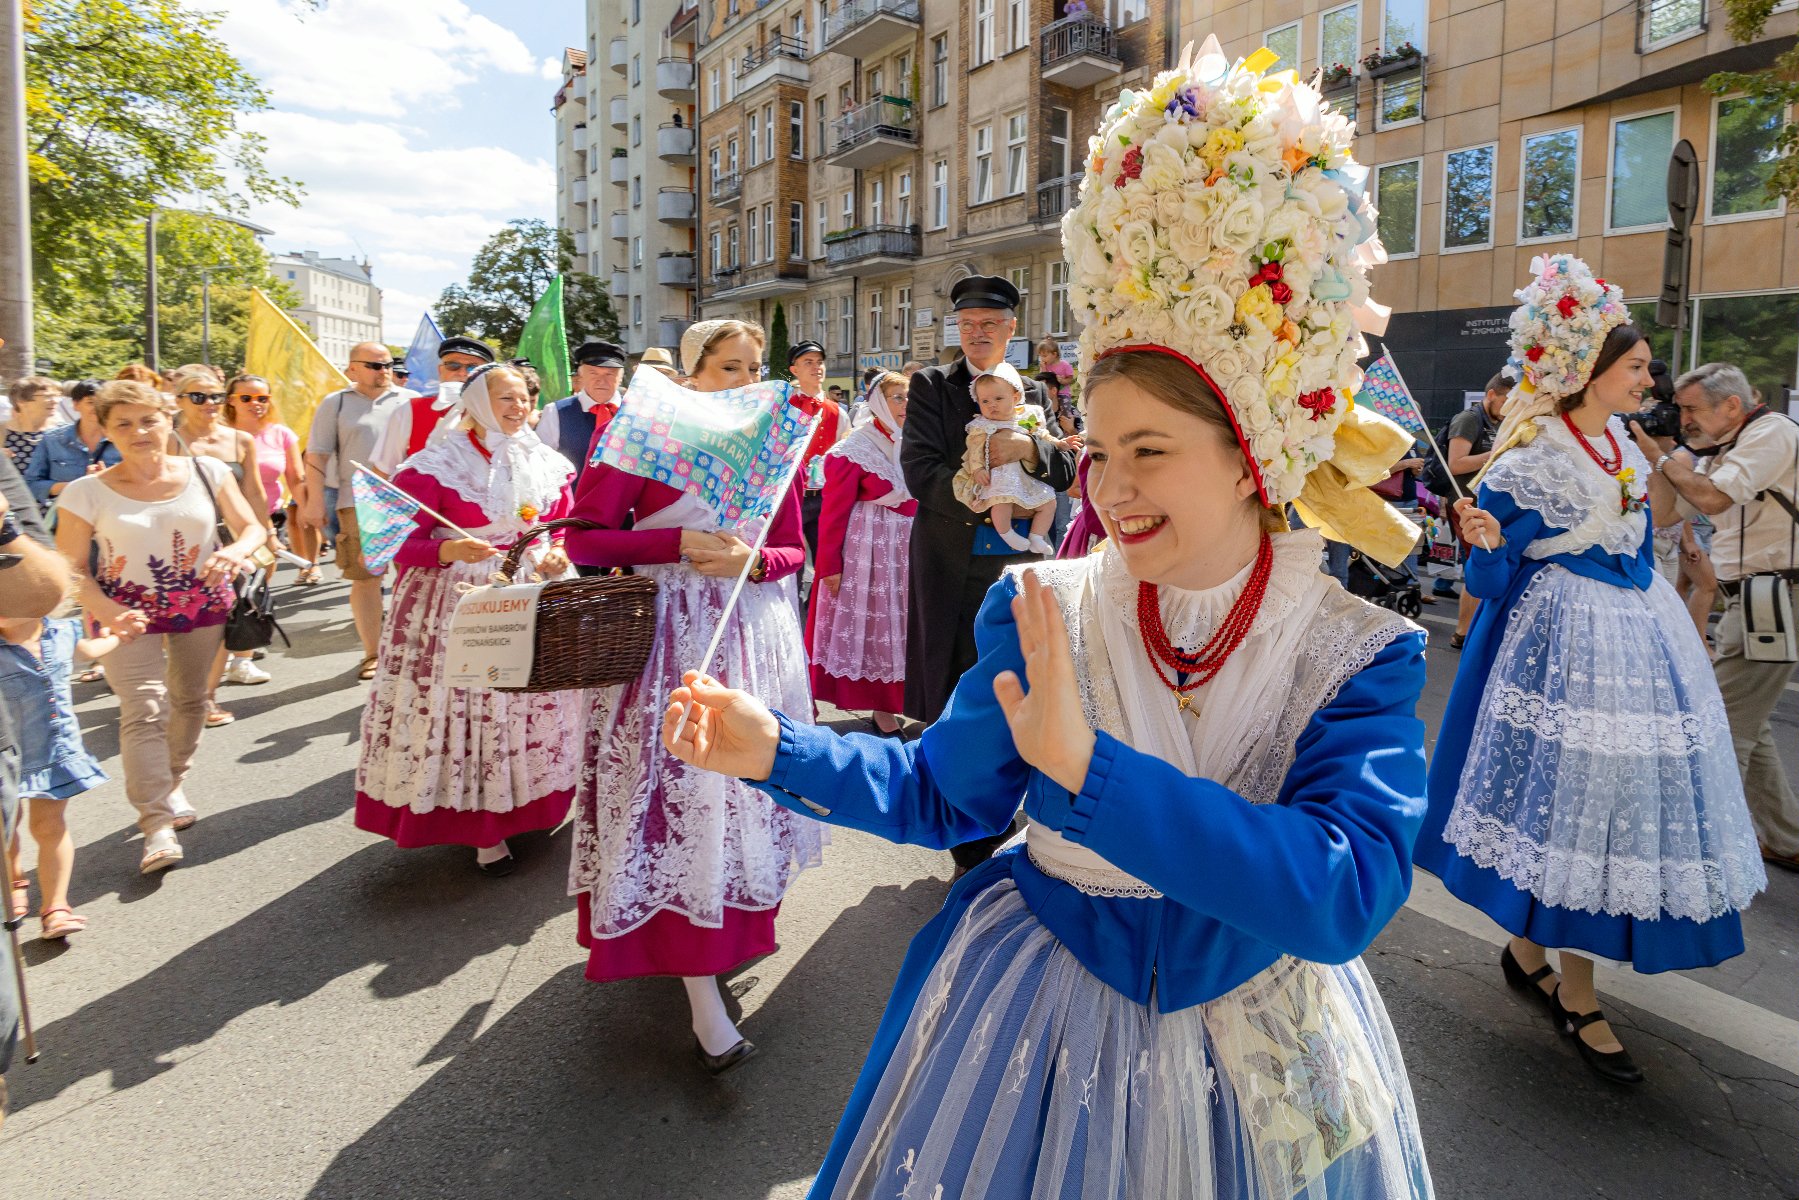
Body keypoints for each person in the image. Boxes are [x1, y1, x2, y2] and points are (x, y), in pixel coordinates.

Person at [662, 48, 1435, 1191]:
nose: (1111, 489)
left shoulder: (1348, 652)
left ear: (1250, 460)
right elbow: (940, 793)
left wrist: (1086, 768)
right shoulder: (1046, 608)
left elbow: (1340, 897)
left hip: (1261, 1027)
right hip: (1044, 1002)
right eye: (1099, 453)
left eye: (1151, 453)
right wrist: (775, 750)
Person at [1417, 257, 1765, 1086]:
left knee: (1608, 806)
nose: (1650, 379)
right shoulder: (1526, 456)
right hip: (1560, 650)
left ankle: (1532, 949)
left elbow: (1636, 542)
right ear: (1588, 369)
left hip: (1634, 642)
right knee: (1577, 810)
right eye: (1637, 366)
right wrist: (1483, 542)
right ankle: (1576, 993)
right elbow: (1488, 583)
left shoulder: (1617, 441)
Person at [564, 318, 821, 1075]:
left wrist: (755, 556)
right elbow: (585, 541)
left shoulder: (769, 442)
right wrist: (673, 545)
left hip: (753, 635)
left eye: (751, 368)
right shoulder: (643, 433)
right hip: (670, 635)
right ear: (691, 372)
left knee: (743, 789)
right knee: (675, 789)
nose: (742, 381)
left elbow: (792, 549)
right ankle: (694, 975)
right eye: (726, 368)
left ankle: (733, 923)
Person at [354, 364, 583, 874]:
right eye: (504, 398)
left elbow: (561, 524)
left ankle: (537, 798)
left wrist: (555, 551)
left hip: (534, 592)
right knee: (479, 710)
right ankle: (485, 830)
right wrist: (448, 548)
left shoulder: (546, 460)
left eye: (524, 396)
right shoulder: (434, 465)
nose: (518, 406)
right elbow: (392, 545)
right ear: (477, 402)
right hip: (462, 600)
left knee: (534, 704)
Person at [53, 381, 267, 874]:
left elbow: (251, 526)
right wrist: (108, 613)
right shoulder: (87, 492)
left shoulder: (207, 471)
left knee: (191, 699)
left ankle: (172, 781)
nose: (138, 432)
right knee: (145, 707)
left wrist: (235, 551)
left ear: (168, 420)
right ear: (105, 431)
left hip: (200, 601)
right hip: (123, 609)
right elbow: (70, 570)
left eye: (148, 420)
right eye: (123, 424)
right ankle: (156, 824)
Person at [903, 274, 1076, 873]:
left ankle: (1017, 827)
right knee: (958, 699)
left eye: (989, 324)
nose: (976, 334)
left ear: (1010, 330)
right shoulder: (931, 385)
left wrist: (1028, 452)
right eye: (967, 324)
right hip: (953, 566)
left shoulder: (1029, 389)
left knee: (1021, 693)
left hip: (1017, 567)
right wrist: (976, 486)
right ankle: (968, 846)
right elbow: (919, 470)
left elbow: (1064, 467)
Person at [1633, 361, 1799, 871]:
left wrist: (1662, 459)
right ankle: (1789, 838)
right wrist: (1663, 458)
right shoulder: (1717, 448)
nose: (1681, 419)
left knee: (1719, 721)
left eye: (1690, 409)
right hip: (1751, 599)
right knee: (1750, 722)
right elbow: (1664, 515)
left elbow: (1711, 497)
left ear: (1732, 405)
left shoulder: (1771, 433)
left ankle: (1708, 853)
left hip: (1776, 596)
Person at [806, 371, 915, 734]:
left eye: (908, 398)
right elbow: (832, 515)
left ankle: (902, 702)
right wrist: (829, 567)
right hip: (866, 554)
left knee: (901, 626)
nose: (905, 405)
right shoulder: (853, 449)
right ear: (879, 402)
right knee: (875, 624)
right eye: (897, 398)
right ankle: (881, 710)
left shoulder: (911, 441)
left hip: (905, 553)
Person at [167, 365, 277, 721]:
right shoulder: (169, 440)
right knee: (188, 623)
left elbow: (254, 494)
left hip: (234, 542)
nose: (209, 403)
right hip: (184, 543)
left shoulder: (240, 440)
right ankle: (184, 691)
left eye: (215, 396)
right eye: (199, 397)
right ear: (179, 401)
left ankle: (206, 697)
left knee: (223, 618)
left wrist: (267, 536)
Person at [302, 342, 413, 680]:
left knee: (413, 578)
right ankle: (373, 654)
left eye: (388, 365)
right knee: (367, 578)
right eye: (374, 366)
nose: (384, 371)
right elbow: (317, 454)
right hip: (359, 501)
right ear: (352, 369)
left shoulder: (411, 401)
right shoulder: (335, 403)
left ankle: (412, 650)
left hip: (411, 502)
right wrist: (315, 499)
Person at [1, 610, 111, 939]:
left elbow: (89, 651)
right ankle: (15, 882)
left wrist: (122, 633)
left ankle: (56, 906)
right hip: (5, 756)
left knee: (49, 826)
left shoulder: (63, 631)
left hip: (53, 750)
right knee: (6, 829)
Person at [955, 361, 1058, 555]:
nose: (991, 405)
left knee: (1048, 502)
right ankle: (1006, 532)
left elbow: (1042, 435)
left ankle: (1037, 536)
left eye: (998, 399)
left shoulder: (1026, 417)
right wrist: (977, 469)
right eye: (985, 401)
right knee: (1001, 502)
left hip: (1027, 476)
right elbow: (974, 449)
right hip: (1000, 476)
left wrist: (1059, 443)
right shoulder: (982, 424)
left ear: (1016, 397)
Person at [1436, 375, 1507, 646]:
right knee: (1475, 564)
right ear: (1491, 395)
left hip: (1485, 503)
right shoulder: (1469, 419)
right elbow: (1455, 464)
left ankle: (1470, 631)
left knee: (1480, 563)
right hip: (1465, 503)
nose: (1509, 407)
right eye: (1505, 400)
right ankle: (1463, 632)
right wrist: (1498, 453)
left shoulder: (1498, 421)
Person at [371, 336, 493, 474]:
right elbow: (384, 471)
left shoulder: (502, 413)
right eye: (453, 365)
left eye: (473, 368)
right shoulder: (409, 410)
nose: (462, 372)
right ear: (441, 371)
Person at [536, 338, 626, 484]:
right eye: (593, 373)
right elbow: (540, 467)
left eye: (609, 374)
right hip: (574, 504)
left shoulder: (636, 412)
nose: (601, 380)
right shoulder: (556, 413)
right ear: (581, 375)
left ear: (620, 378)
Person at [787, 340, 842, 580]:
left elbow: (843, 453)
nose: (816, 367)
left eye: (819, 362)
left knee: (826, 560)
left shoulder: (837, 411)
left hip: (823, 496)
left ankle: (817, 612)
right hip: (792, 496)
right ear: (794, 370)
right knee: (792, 562)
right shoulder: (785, 407)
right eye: (808, 362)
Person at [24, 379, 120, 514]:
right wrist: (78, 486)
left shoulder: (122, 439)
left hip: (111, 518)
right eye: (91, 402)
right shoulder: (53, 439)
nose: (97, 408)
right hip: (66, 518)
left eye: (103, 403)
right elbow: (31, 484)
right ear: (75, 405)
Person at [3, 377, 60, 475]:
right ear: (21, 402)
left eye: (57, 395)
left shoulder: (63, 432)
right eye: (47, 396)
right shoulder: (2, 432)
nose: (55, 401)